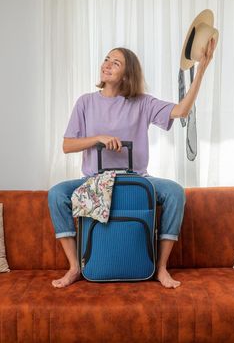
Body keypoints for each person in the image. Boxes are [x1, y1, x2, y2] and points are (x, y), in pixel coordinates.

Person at [48, 40, 215, 289]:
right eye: (107, 59)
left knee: (175, 193)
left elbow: (181, 111)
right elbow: (67, 145)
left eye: (116, 63)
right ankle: (74, 267)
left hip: (136, 179)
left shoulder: (142, 102)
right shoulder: (85, 102)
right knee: (56, 194)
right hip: (94, 180)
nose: (107, 65)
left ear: (127, 74)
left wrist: (201, 69)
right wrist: (97, 139)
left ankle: (160, 268)